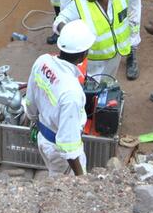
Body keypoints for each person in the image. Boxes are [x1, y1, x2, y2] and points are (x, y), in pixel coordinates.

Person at [23, 20, 97, 176]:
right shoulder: (72, 92)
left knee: (54, 174)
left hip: (44, 138)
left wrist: (33, 119)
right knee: (62, 186)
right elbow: (68, 147)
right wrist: (80, 177)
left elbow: (30, 102)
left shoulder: (42, 61)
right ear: (84, 54)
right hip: (59, 151)